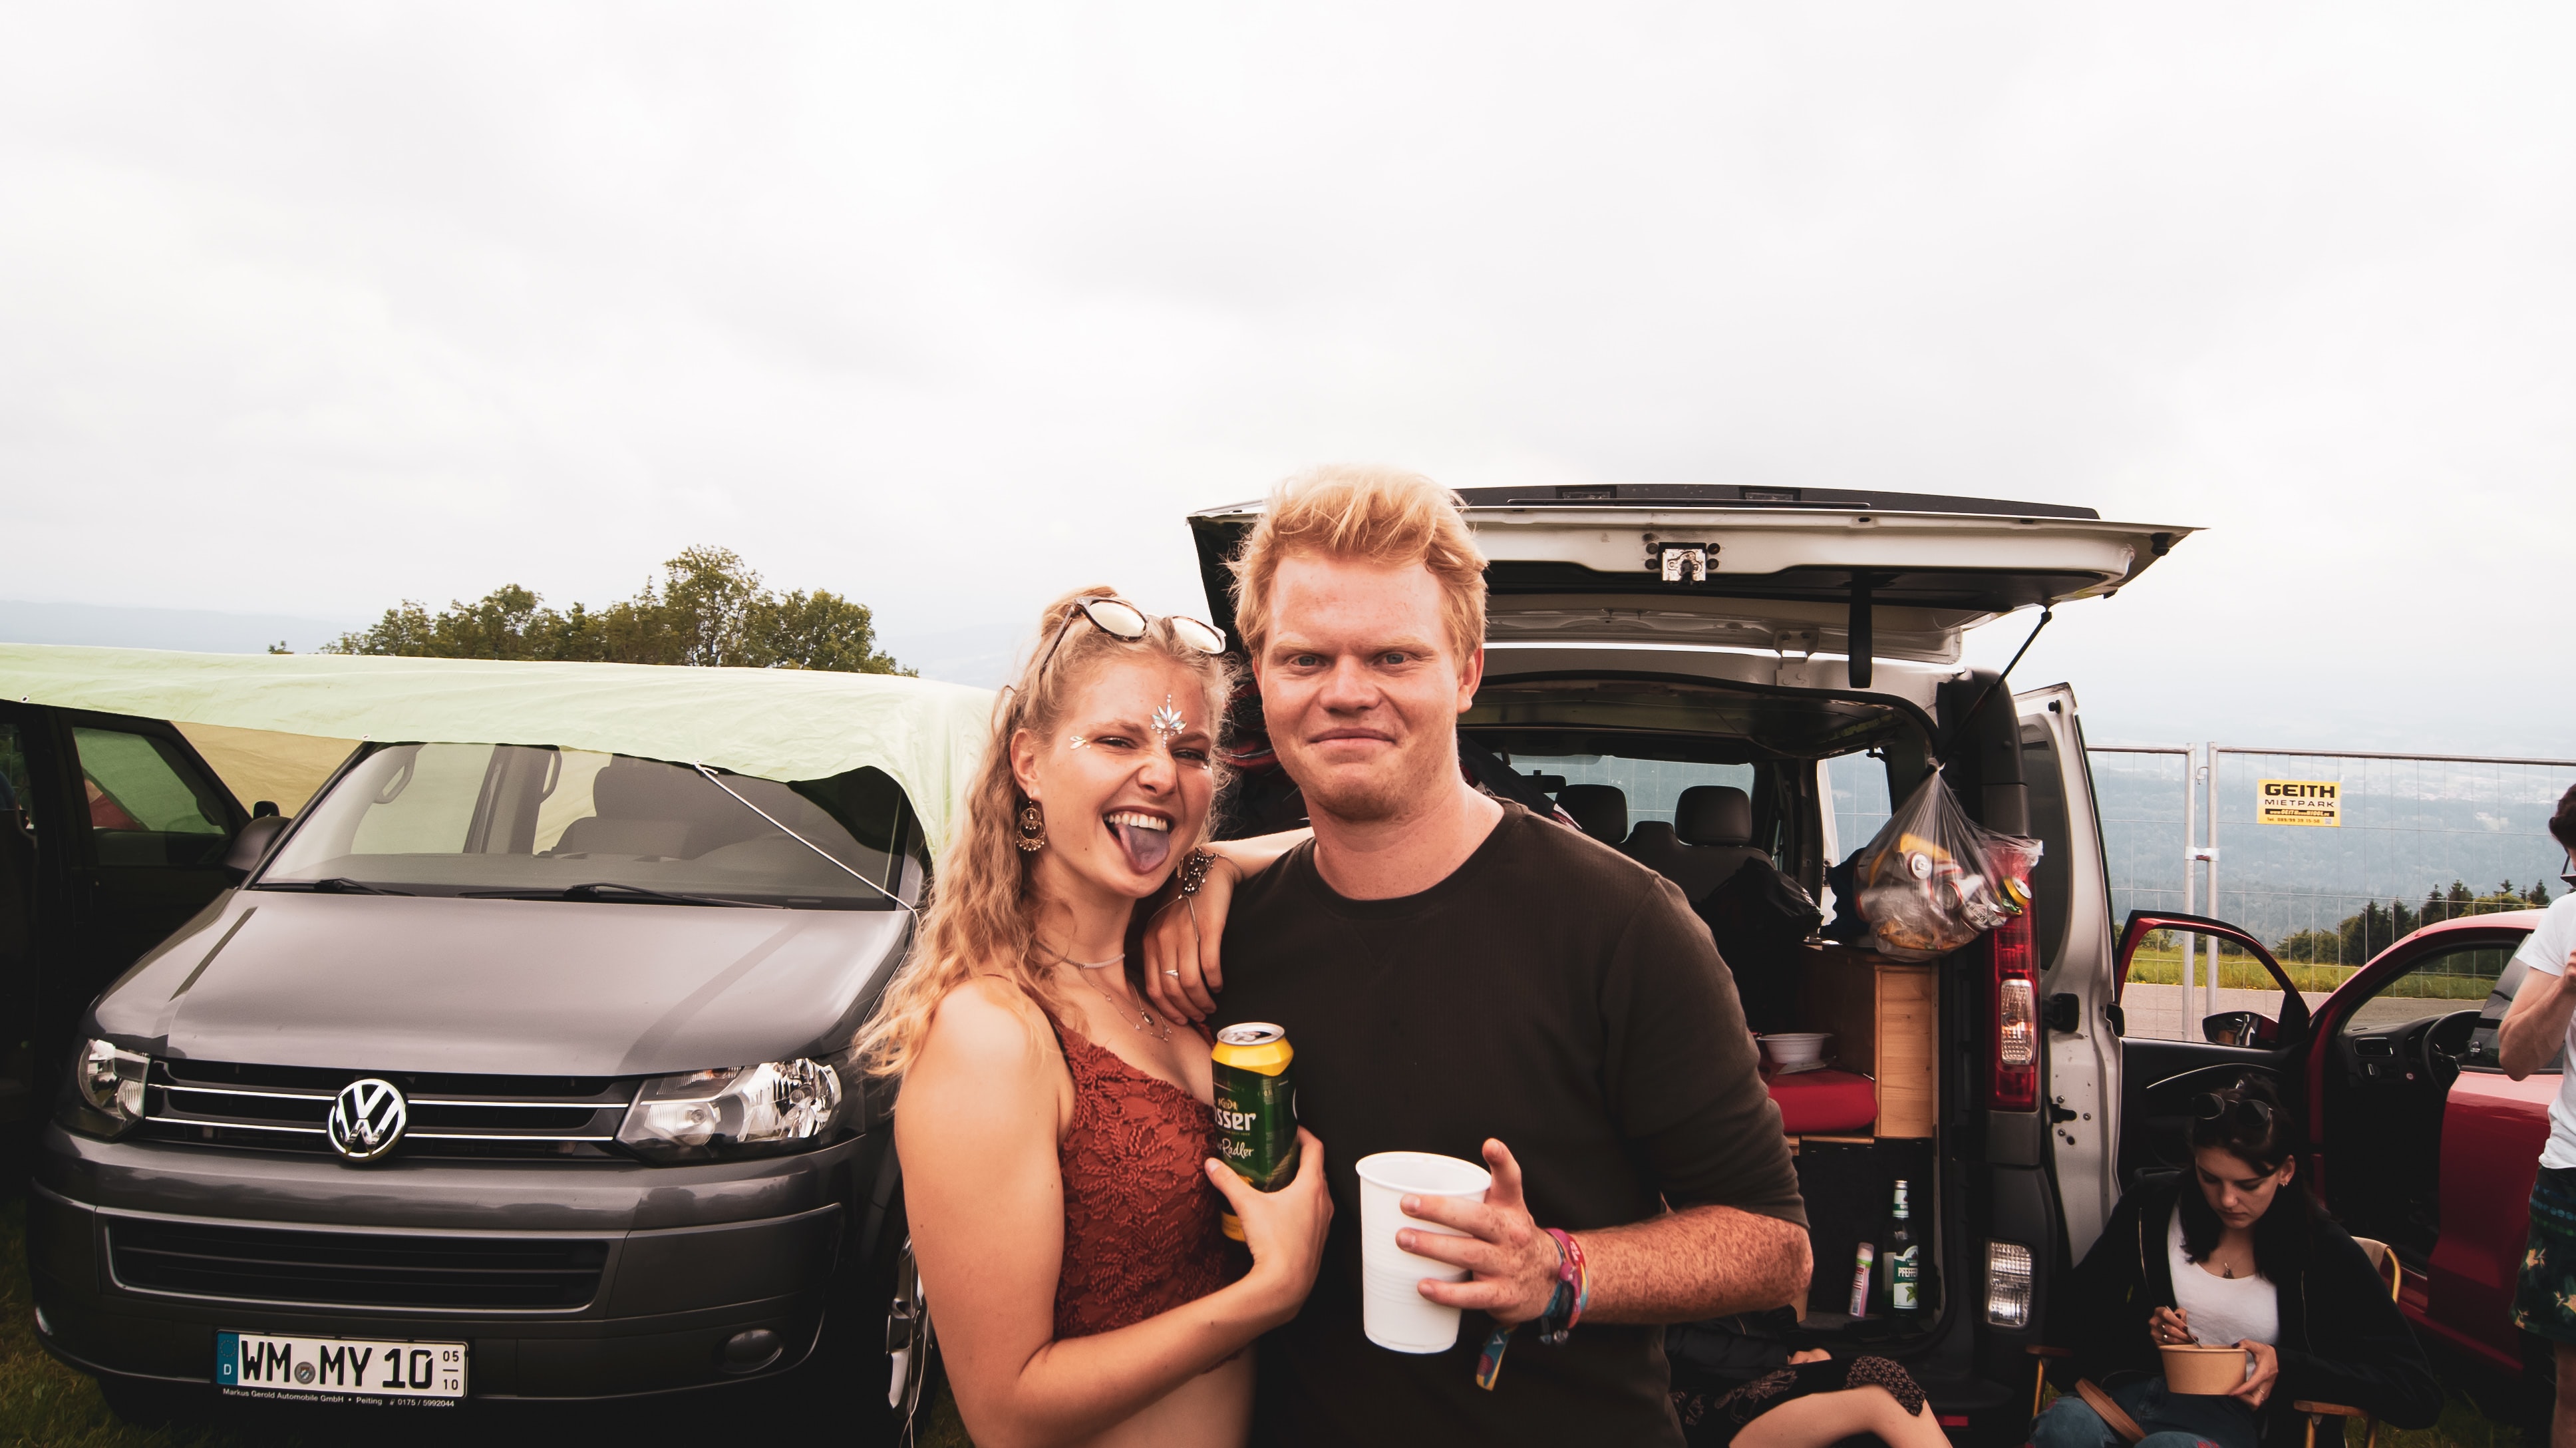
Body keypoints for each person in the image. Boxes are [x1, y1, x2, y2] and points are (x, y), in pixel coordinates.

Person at [1146, 464, 1812, 1446]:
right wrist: (1198, 872)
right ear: (1260, 679)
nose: (1346, 692)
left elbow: (1774, 1245)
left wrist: (1560, 1269)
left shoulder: (1622, 925)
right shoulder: (1223, 935)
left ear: (1464, 673)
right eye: (1305, 659)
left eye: (1393, 656)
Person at [859, 587, 1335, 1448]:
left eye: (1189, 751)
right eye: (1117, 740)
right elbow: (1006, 1411)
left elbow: (1342, 841)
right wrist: (1271, 1293)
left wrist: (1213, 867)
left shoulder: (1161, 974)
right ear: (1029, 763)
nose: (1161, 774)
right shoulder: (992, 1033)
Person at [2028, 1075, 2438, 1448]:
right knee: (2065, 1426)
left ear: (2285, 1171)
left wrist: (2286, 1367)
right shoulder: (2151, 1208)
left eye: (2248, 1185)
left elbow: (2417, 1393)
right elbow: (2070, 1318)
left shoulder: (2322, 1249)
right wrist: (2144, 1330)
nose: (2227, 1200)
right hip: (2128, 1400)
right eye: (2209, 1178)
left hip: (2241, 1424)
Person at [2499, 783, 2576, 1448]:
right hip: (2572, 1179)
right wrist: (2567, 991)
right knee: (2572, 1389)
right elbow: (2515, 1057)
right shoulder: (2566, 919)